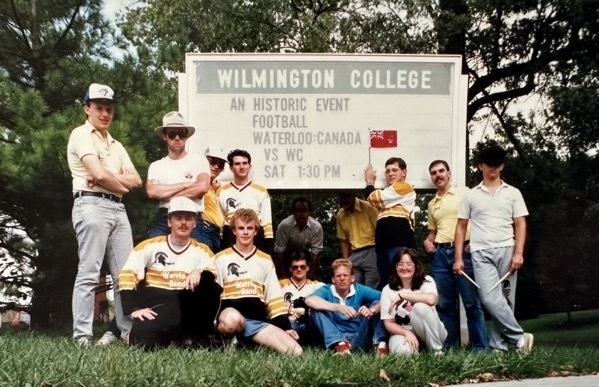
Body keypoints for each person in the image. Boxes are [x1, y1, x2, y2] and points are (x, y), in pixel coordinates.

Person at [67, 83, 142, 345]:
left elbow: (136, 181)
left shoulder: (116, 145)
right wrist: (117, 181)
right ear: (87, 108)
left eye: (109, 109)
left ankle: (127, 332)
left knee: (126, 274)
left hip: (117, 208)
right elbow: (98, 174)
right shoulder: (80, 134)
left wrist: (111, 180)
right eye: (99, 108)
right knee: (89, 271)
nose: (104, 113)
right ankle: (83, 336)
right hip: (91, 205)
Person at [454, 144, 534, 354]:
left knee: (505, 300)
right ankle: (519, 337)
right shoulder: (470, 195)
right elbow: (461, 227)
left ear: (502, 166)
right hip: (480, 252)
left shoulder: (513, 193)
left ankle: (499, 347)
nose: (493, 168)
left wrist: (518, 252)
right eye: (489, 164)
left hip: (507, 250)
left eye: (497, 164)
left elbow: (520, 223)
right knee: (489, 298)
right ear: (480, 166)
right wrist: (458, 257)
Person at [118, 197, 222, 350]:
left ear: (194, 223)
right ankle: (172, 337)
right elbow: (127, 275)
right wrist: (133, 309)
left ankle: (200, 335)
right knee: (142, 343)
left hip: (188, 309)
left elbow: (212, 273)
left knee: (209, 285)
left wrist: (198, 271)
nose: (183, 223)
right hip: (160, 307)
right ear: (169, 222)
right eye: (178, 218)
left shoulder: (203, 250)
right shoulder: (148, 246)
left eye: (188, 218)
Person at [214, 208, 302, 355]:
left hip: (255, 322)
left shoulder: (265, 260)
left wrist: (285, 326)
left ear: (256, 231)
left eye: (250, 228)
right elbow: (213, 298)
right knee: (233, 320)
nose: (246, 232)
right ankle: (226, 339)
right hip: (229, 318)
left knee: (295, 352)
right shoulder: (221, 258)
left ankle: (244, 341)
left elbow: (273, 298)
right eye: (241, 228)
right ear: (234, 230)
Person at [423, 160, 488, 350]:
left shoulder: (465, 193)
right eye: (434, 173)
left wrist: (474, 242)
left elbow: (480, 219)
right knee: (444, 304)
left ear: (449, 173)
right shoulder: (432, 203)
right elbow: (432, 232)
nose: (438, 175)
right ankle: (449, 349)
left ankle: (480, 349)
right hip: (441, 254)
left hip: (464, 252)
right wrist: (428, 241)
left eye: (441, 171)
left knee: (471, 303)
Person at [146, 111, 211, 243]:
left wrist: (168, 195)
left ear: (186, 136)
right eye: (171, 134)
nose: (177, 138)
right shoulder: (156, 166)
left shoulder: (199, 160)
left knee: (203, 251)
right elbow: (152, 192)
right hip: (165, 216)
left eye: (181, 133)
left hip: (192, 215)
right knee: (152, 249)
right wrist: (185, 184)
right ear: (165, 136)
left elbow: (202, 187)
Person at [305, 259, 387, 356]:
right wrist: (339, 308)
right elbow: (309, 300)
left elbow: (386, 298)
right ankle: (341, 344)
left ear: (352, 278)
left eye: (345, 275)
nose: (342, 278)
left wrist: (371, 310)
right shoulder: (327, 290)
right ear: (333, 279)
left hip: (358, 338)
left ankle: (380, 345)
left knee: (378, 304)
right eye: (338, 276)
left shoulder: (359, 289)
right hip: (335, 340)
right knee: (315, 309)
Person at [380, 248, 447, 355]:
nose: (404, 267)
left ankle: (436, 351)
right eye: (400, 264)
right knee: (403, 354)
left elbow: (431, 299)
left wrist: (403, 296)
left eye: (409, 264)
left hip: (432, 332)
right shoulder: (387, 289)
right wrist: (407, 333)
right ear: (395, 267)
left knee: (419, 307)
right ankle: (415, 350)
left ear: (416, 266)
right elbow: (389, 323)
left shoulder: (426, 281)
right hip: (404, 332)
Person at [364, 157, 416, 288]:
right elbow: (381, 199)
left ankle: (407, 309)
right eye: (387, 171)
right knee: (387, 285)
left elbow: (375, 198)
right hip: (383, 245)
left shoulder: (405, 187)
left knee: (401, 282)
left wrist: (370, 182)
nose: (390, 173)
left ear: (404, 172)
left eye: (394, 170)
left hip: (400, 243)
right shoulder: (390, 196)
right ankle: (388, 308)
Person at [217, 149, 273, 253]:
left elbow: (266, 219)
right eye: (237, 164)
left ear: (249, 166)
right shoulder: (222, 191)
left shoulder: (261, 191)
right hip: (230, 235)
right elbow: (220, 219)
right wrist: (220, 239)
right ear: (231, 168)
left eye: (245, 163)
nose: (242, 167)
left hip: (255, 234)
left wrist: (268, 241)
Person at [278, 250, 325, 345]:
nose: (299, 269)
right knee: (288, 322)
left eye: (302, 267)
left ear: (308, 268)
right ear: (290, 268)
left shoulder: (316, 286)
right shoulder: (280, 285)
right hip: (291, 324)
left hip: (310, 325)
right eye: (295, 267)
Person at [336, 191, 379, 289]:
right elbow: (343, 240)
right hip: (354, 254)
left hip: (371, 251)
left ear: (354, 195)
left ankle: (372, 305)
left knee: (372, 287)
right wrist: (346, 262)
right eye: (341, 196)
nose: (344, 200)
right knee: (352, 287)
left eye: (347, 196)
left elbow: (381, 232)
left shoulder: (369, 207)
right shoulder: (340, 214)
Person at [274, 197, 324, 279]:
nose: (301, 214)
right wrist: (282, 275)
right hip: (287, 256)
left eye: (304, 210)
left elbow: (316, 253)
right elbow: (279, 252)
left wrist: (311, 275)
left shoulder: (317, 227)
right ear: (293, 212)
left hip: (307, 256)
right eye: (298, 210)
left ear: (309, 212)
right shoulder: (284, 225)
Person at [200, 146, 229, 252]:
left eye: (220, 164)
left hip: (216, 232)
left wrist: (216, 190)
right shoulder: (198, 182)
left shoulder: (214, 186)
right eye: (212, 162)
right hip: (203, 229)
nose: (216, 166)